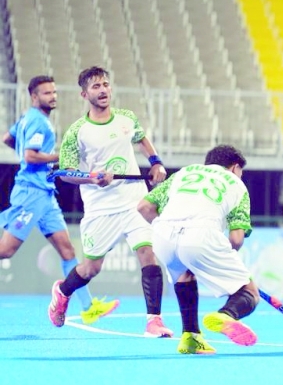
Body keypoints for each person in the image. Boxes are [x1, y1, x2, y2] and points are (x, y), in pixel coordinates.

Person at [48, 66, 172, 337]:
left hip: (134, 199)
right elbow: (66, 173)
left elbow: (141, 139)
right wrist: (92, 178)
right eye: (96, 86)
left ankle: (154, 321)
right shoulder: (77, 132)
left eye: (105, 84)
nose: (103, 90)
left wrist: (156, 162)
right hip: (101, 208)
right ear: (84, 94)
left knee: (148, 253)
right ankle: (63, 291)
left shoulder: (127, 118)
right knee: (91, 268)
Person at [0, 75, 118, 325]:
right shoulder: (37, 122)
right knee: (6, 250)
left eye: (54, 92)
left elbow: (8, 140)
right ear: (34, 97)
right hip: (31, 193)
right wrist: (60, 157)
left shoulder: (27, 120)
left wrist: (28, 156)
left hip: (46, 194)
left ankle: (88, 307)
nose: (53, 96)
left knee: (67, 250)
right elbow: (31, 156)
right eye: (46, 93)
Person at [137, 145, 259, 355]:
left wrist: (163, 227)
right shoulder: (237, 185)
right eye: (241, 172)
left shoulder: (184, 173)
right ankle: (226, 315)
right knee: (249, 292)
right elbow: (236, 239)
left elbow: (144, 207)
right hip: (202, 235)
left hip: (163, 234)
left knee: (184, 274)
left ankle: (191, 337)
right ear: (234, 168)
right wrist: (217, 253)